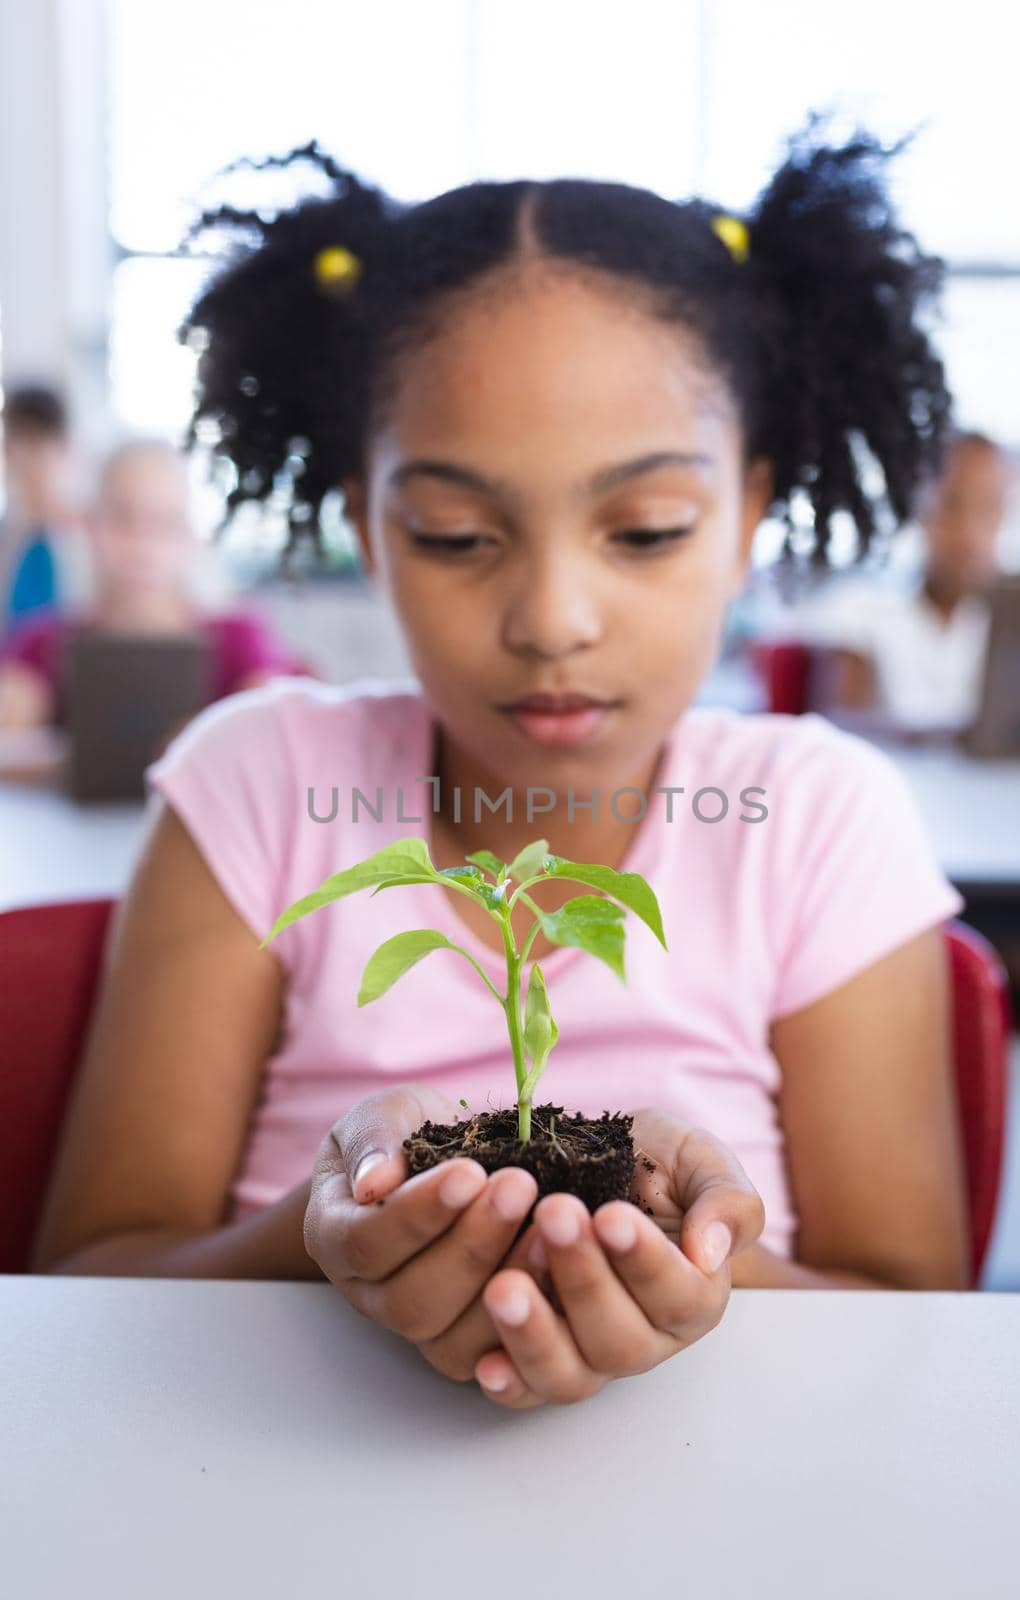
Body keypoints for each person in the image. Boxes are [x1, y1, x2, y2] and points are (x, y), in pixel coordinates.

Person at [31, 129, 972, 1412]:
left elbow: (925, 1327)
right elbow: (90, 1276)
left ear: (750, 510)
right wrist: (333, 1229)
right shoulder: (256, 785)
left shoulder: (816, 823)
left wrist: (675, 1254)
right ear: (366, 522)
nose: (551, 617)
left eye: (642, 530)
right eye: (455, 534)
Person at [0, 437, 310, 731]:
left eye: (164, 522)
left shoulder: (240, 643)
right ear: (88, 525)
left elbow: (283, 722)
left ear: (190, 538)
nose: (142, 544)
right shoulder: (41, 646)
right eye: (122, 517)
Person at [791, 430, 1020, 733]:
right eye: (951, 504)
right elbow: (841, 734)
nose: (970, 532)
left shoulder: (1019, 626)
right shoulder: (858, 610)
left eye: (990, 508)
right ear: (920, 506)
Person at [0, 383, 85, 636]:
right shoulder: (7, 535)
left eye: (35, 445)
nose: (24, 461)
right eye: (13, 446)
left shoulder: (89, 533)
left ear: (63, 448)